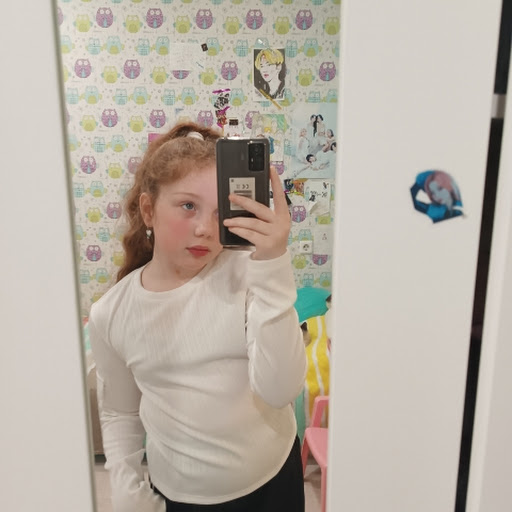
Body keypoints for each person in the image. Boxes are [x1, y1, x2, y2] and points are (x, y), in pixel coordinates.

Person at [88, 121, 307, 512]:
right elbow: (120, 411)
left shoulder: (249, 272)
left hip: (274, 477)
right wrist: (125, 486)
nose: (206, 229)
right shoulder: (111, 313)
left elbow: (280, 390)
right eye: (188, 206)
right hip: (182, 495)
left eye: (221, 211)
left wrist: (273, 265)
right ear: (148, 210)